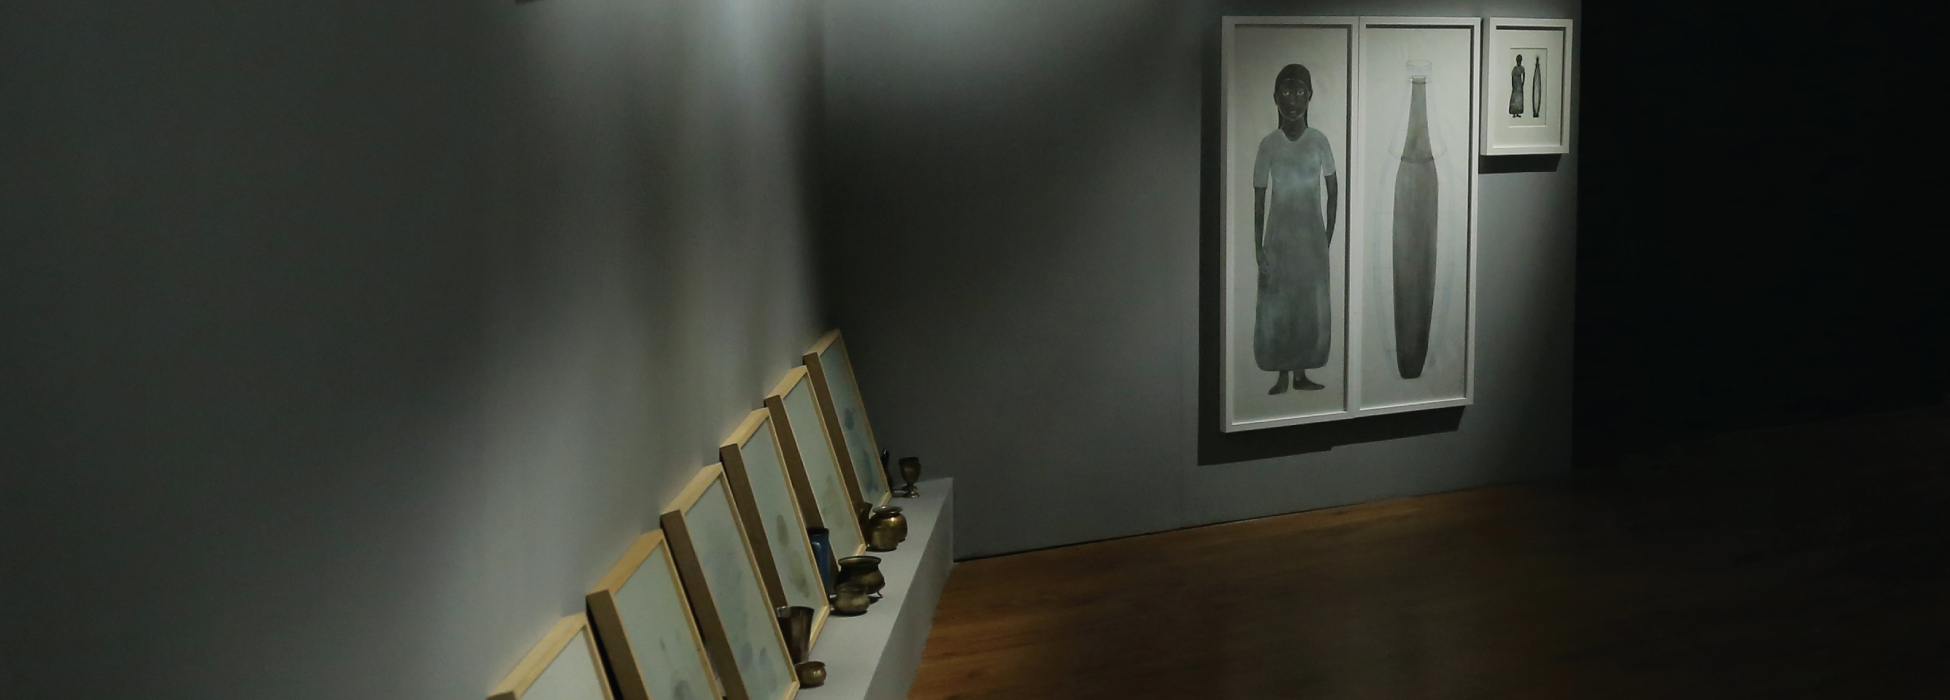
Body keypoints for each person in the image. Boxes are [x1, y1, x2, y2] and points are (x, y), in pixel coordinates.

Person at [1252, 64, 1339, 394]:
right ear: (1275, 97)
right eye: (1286, 92)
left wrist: (1326, 236)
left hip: (1311, 241)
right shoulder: (1269, 144)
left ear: (1310, 96)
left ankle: (1301, 374)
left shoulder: (1319, 141)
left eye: (1300, 91)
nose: (1293, 100)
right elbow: (1259, 199)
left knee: (1306, 305)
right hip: (1278, 240)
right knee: (1278, 305)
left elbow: (1333, 191)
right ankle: (1281, 374)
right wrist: (1258, 247)